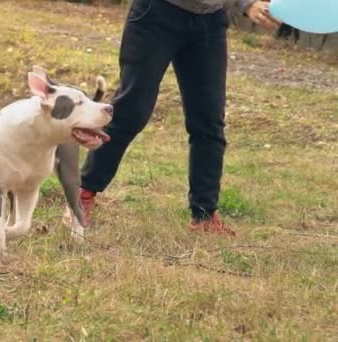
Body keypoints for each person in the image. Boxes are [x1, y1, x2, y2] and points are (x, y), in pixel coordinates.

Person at [79, 0, 281, 235]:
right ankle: (83, 193)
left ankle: (204, 215)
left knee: (209, 120)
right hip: (157, 14)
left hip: (210, 20)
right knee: (131, 111)